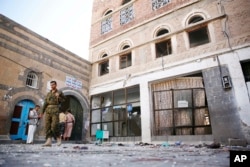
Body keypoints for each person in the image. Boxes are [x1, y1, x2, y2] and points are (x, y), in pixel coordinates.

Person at [40, 80, 65, 147]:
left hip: (55, 110)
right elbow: (45, 103)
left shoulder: (59, 92)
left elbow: (63, 100)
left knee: (54, 126)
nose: (52, 86)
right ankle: (48, 141)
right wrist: (42, 112)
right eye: (51, 85)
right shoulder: (49, 93)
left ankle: (58, 137)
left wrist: (58, 97)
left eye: (53, 85)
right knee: (47, 126)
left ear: (56, 85)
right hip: (48, 111)